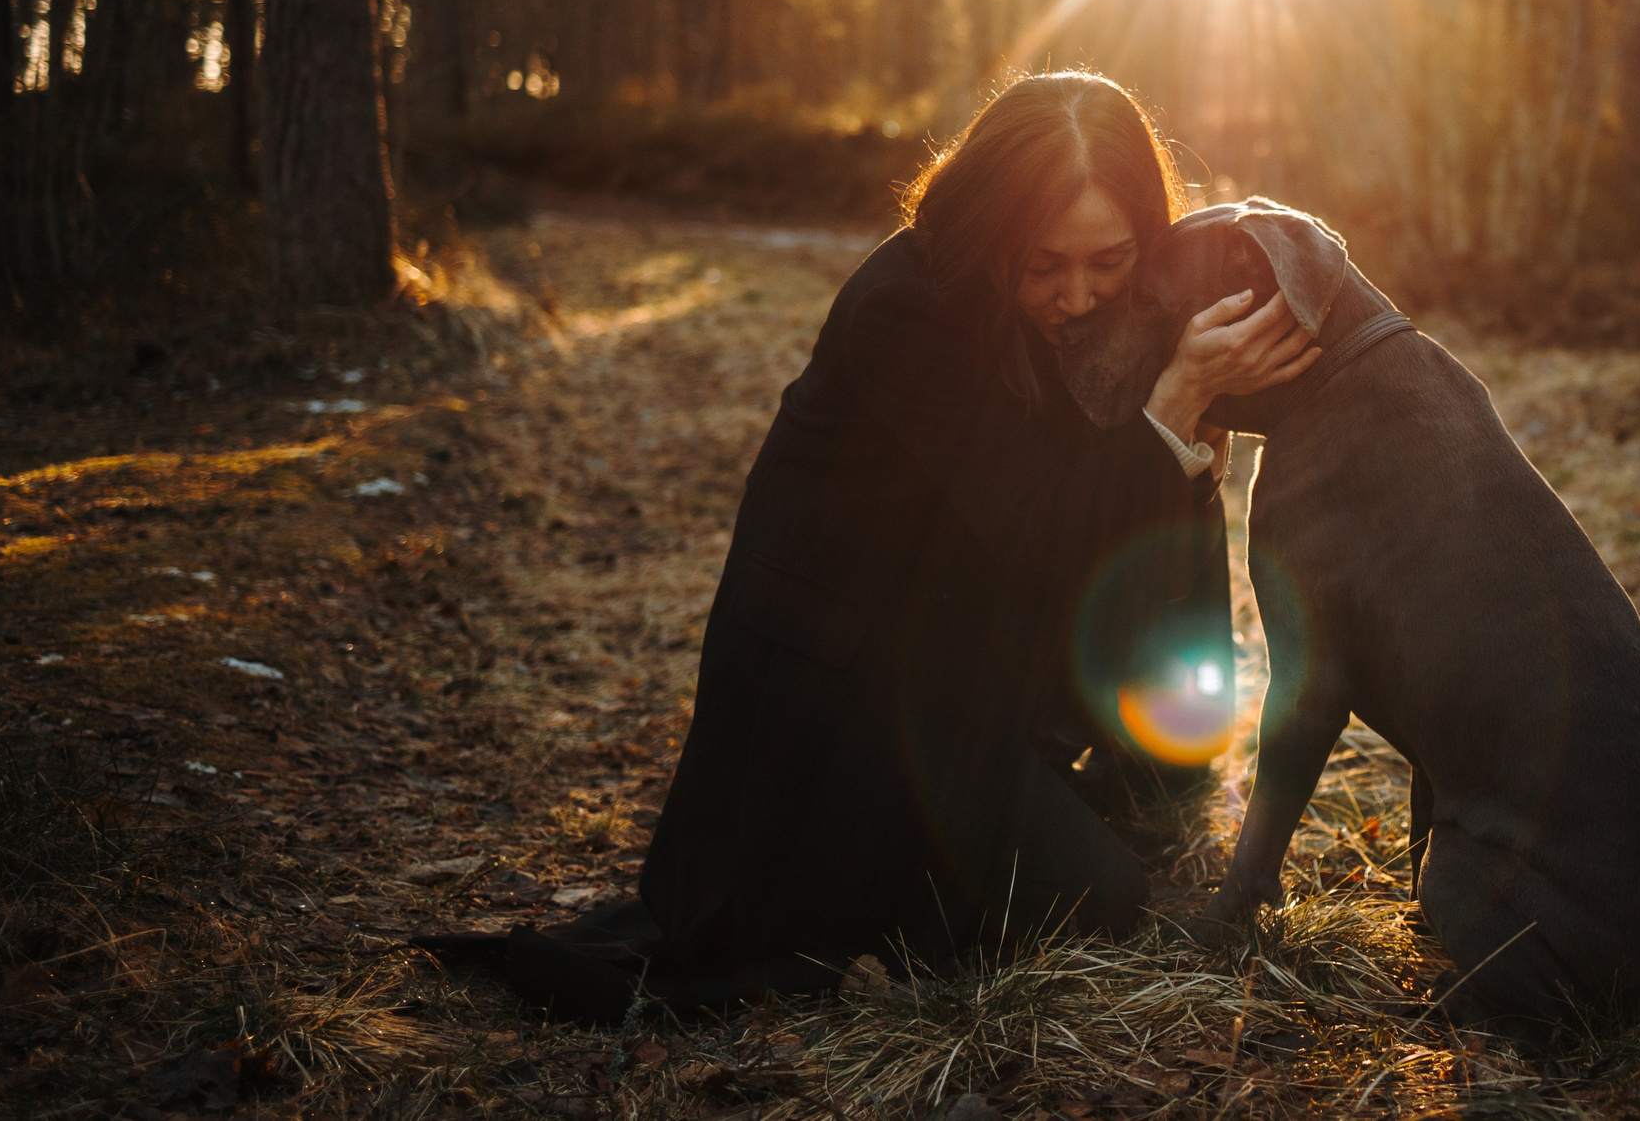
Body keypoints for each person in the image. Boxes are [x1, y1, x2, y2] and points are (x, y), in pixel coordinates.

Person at [440, 72, 1318, 1023]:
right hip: (847, 702)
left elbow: (1110, 536)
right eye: (1042, 264)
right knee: (1096, 900)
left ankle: (1126, 771)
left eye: (1110, 259)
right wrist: (1172, 405)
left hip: (961, 660)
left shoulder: (1102, 319)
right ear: (993, 232)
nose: (1077, 295)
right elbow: (1040, 532)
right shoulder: (909, 310)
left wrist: (1191, 436)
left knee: (1110, 848)